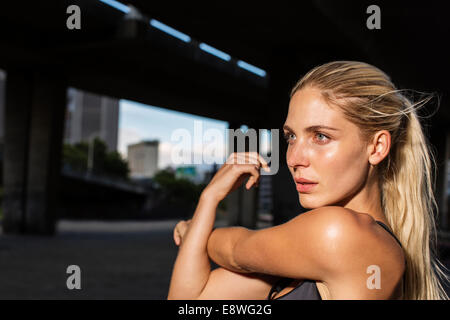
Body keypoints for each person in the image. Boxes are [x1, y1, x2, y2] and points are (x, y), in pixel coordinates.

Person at [167, 61, 449, 300]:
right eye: (291, 137)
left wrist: (196, 230)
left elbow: (236, 250)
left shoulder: (340, 233)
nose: (294, 158)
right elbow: (191, 300)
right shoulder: (311, 259)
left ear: (376, 148)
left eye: (321, 136)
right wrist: (210, 197)